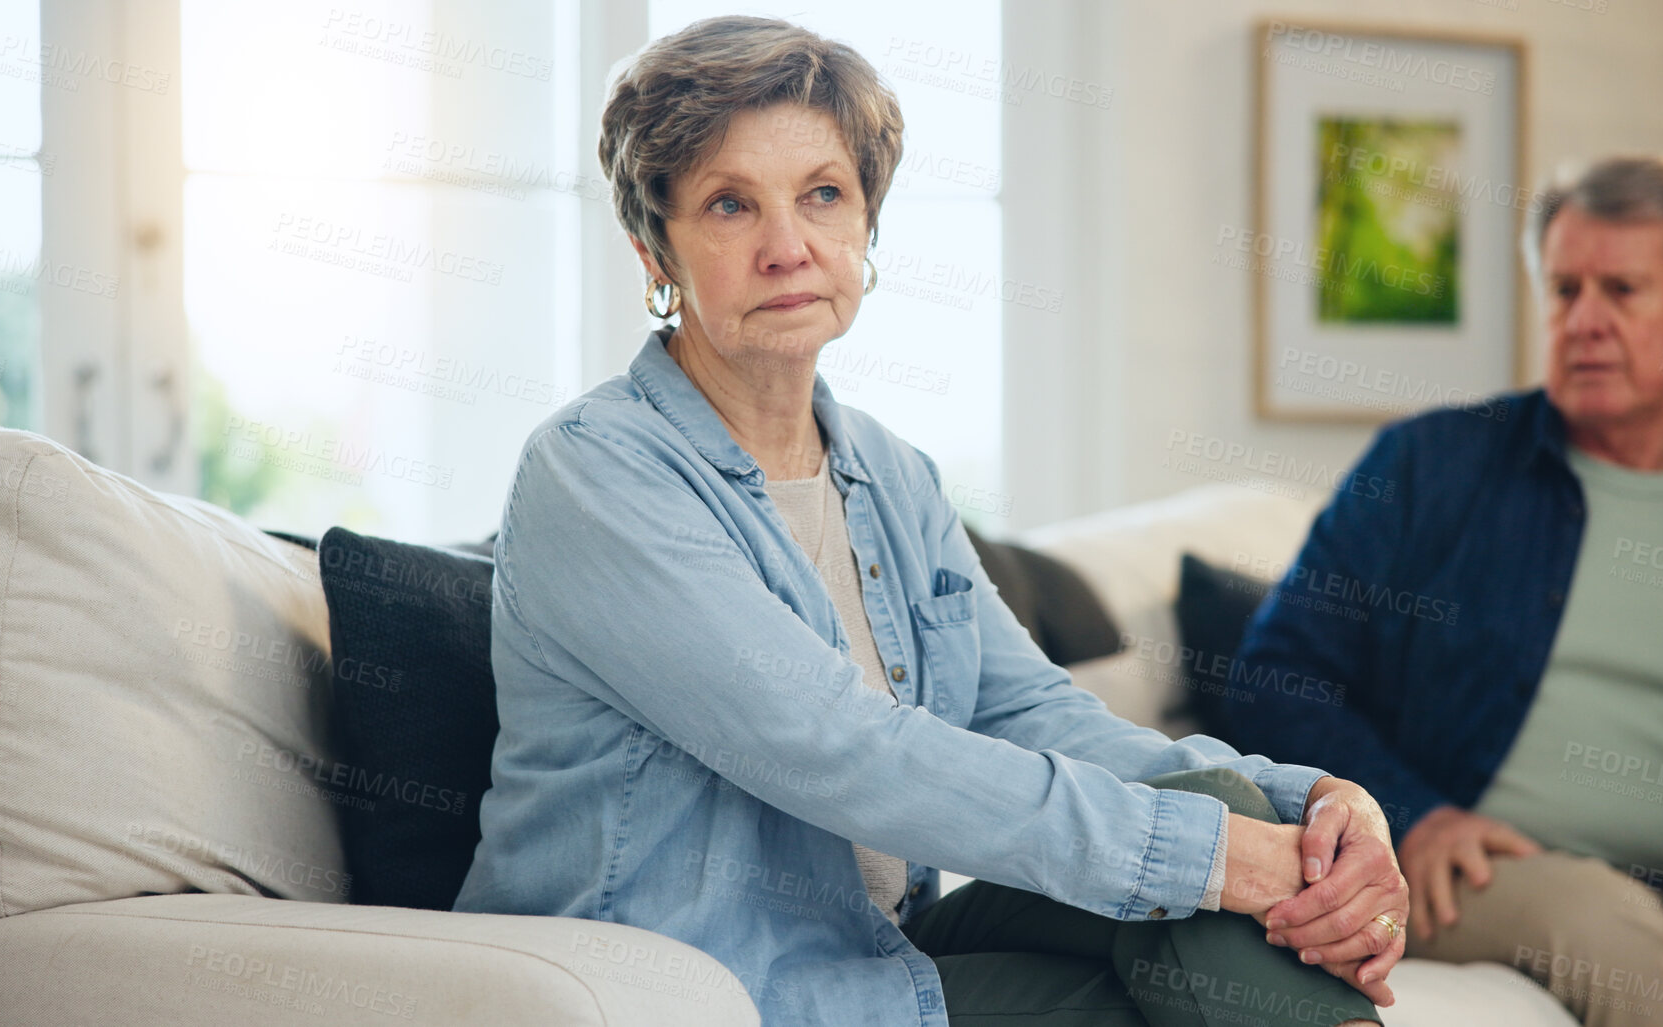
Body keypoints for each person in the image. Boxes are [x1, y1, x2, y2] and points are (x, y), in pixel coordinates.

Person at [453, 16, 1407, 1027]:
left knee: (1224, 805)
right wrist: (1214, 857)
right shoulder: (595, 473)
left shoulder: (889, 473)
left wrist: (1316, 808)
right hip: (706, 984)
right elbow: (841, 748)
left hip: (878, 954)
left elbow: (1035, 713)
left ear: (866, 227)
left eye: (823, 194)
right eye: (730, 205)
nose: (787, 248)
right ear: (655, 248)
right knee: (1204, 898)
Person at [1220, 154, 1663, 1027]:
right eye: (1564, 290)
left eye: (1620, 290)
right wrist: (1410, 814)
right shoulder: (1425, 468)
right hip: (1498, 879)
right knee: (1599, 920)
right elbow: (1275, 673)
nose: (1585, 321)